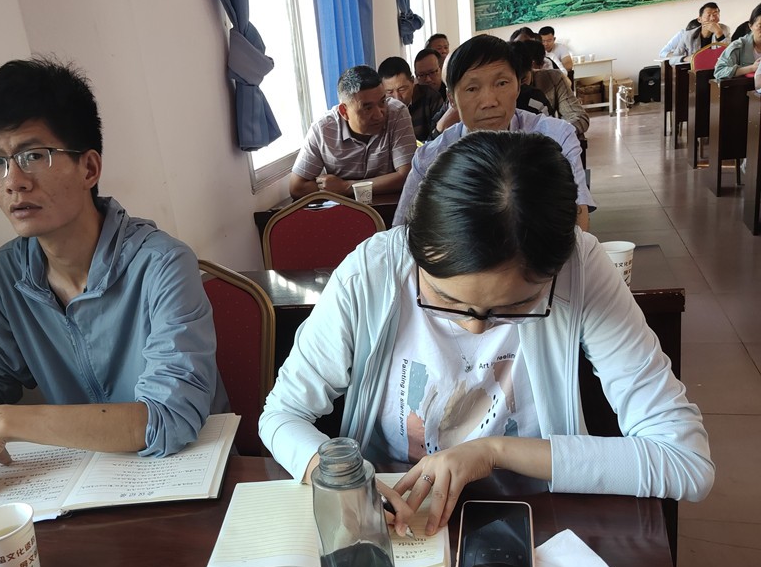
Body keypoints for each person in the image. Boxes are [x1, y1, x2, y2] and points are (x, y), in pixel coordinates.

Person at [259, 131, 714, 537]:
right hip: (398, 517)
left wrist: (494, 451)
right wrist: (343, 478)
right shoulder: (373, 272)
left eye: (514, 307)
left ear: (555, 273)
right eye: (444, 299)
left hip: (536, 520)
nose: (474, 325)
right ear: (414, 247)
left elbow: (686, 462)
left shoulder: (581, 271)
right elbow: (281, 415)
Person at [0, 58, 227, 503]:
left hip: (191, 480)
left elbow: (169, 419)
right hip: (85, 486)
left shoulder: (162, 264)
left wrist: (2, 421)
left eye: (33, 156)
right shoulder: (7, 273)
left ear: (89, 168)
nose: (13, 182)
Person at [394, 35, 595, 231]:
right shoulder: (430, 159)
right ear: (452, 100)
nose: (490, 101)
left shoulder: (556, 138)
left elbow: (577, 222)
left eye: (501, 83)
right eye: (472, 89)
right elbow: (401, 233)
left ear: (518, 86)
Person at [289, 65, 416, 199]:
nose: (379, 115)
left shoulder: (397, 113)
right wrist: (331, 187)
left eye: (382, 102)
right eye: (367, 108)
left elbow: (408, 176)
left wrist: (347, 187)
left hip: (391, 206)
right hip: (343, 209)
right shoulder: (323, 129)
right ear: (344, 111)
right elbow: (297, 187)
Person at [518, 40, 590, 138]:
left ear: (532, 66)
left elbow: (578, 116)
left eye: (523, 79)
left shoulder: (552, 79)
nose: (518, 87)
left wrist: (559, 132)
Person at [377, 56, 446, 142]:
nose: (397, 98)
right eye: (389, 92)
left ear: (412, 81)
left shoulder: (430, 97)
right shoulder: (379, 109)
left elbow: (440, 139)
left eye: (402, 89)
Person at [714, 3, 761, 79]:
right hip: (746, 85)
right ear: (750, 26)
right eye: (760, 26)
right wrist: (752, 68)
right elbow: (719, 72)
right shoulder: (738, 46)